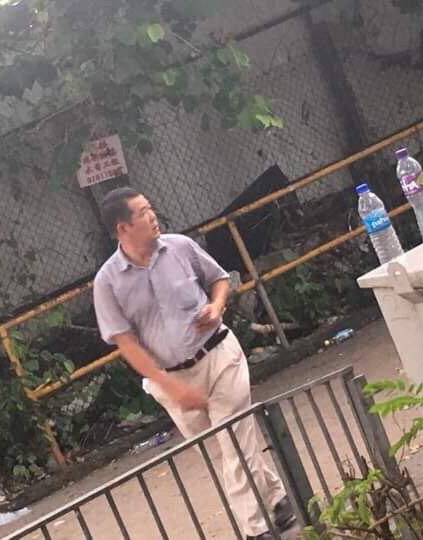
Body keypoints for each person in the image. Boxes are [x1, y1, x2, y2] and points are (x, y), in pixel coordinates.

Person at [92, 187, 295, 540]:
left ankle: (255, 529)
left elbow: (220, 279)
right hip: (171, 379)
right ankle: (277, 496)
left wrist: (216, 307)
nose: (153, 216)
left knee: (234, 442)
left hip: (219, 356)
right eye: (143, 212)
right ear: (123, 228)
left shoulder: (180, 247)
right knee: (223, 451)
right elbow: (126, 343)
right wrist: (170, 387)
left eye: (151, 208)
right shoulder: (107, 282)